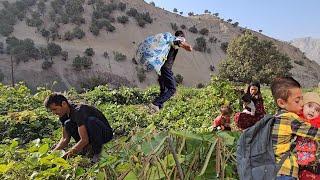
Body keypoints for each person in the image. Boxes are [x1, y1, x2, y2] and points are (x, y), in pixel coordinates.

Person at [270, 77, 320, 179]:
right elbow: (315, 133)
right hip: (285, 171)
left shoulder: (277, 116)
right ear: (281, 103)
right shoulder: (290, 118)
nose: (302, 104)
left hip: (274, 169)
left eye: (302, 99)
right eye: (297, 101)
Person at [44, 93, 113, 163]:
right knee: (68, 123)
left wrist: (66, 155)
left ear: (64, 104)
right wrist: (52, 154)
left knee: (91, 121)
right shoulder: (63, 115)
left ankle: (97, 152)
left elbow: (84, 140)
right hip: (90, 136)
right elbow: (65, 139)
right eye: (52, 110)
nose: (54, 113)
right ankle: (86, 148)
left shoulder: (78, 111)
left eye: (55, 109)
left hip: (104, 134)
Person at [149, 30, 192, 112]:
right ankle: (156, 103)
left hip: (160, 67)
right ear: (181, 37)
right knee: (172, 89)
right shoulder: (176, 41)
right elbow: (188, 47)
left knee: (164, 89)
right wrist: (186, 44)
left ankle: (157, 108)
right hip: (166, 68)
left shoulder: (169, 41)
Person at [296, 92, 320, 179]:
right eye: (309, 106)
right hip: (295, 158)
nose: (313, 111)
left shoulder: (316, 126)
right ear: (302, 106)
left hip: (310, 160)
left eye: (317, 110)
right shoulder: (296, 121)